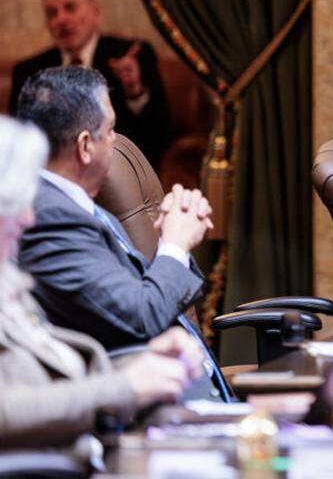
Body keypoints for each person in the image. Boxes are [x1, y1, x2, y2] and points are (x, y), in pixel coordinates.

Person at [15, 66, 230, 400]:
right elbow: (142, 318)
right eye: (111, 129)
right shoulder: (47, 219)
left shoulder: (76, 203)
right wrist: (175, 244)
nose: (116, 140)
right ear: (85, 146)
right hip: (147, 405)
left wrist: (174, 236)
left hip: (179, 386)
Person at [0, 114, 201, 452]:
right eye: (16, 204)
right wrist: (126, 387)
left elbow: (57, 373)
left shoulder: (10, 282)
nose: (28, 218)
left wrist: (142, 363)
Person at [8, 0, 171, 166]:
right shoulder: (29, 72)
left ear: (95, 11)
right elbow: (18, 142)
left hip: (117, 167)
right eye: (52, 13)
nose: (61, 19)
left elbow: (159, 133)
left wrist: (134, 92)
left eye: (70, 8)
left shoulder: (130, 55)